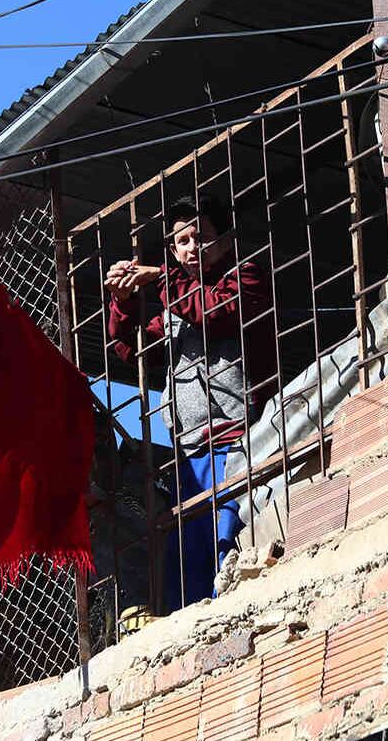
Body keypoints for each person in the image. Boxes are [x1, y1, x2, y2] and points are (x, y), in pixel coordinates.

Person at [105, 196, 274, 609]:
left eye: (201, 236)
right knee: (190, 555)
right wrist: (122, 303)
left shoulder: (245, 276)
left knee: (229, 541)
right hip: (190, 449)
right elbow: (131, 349)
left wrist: (160, 280)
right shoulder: (174, 306)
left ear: (226, 242)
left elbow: (212, 311)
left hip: (238, 440)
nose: (192, 247)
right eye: (182, 240)